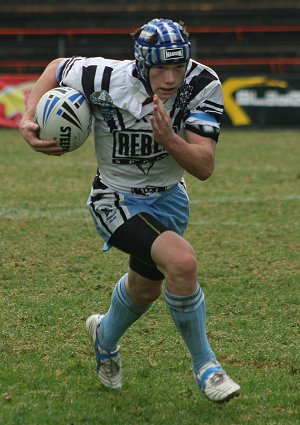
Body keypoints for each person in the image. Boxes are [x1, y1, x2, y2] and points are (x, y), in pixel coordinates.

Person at [19, 18, 240, 403]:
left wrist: (170, 139)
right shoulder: (104, 78)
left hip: (170, 199)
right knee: (182, 263)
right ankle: (208, 367)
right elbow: (56, 68)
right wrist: (28, 116)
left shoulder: (203, 85)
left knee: (144, 290)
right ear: (141, 64)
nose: (171, 78)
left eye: (178, 66)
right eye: (160, 68)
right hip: (115, 199)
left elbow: (204, 166)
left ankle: (103, 338)